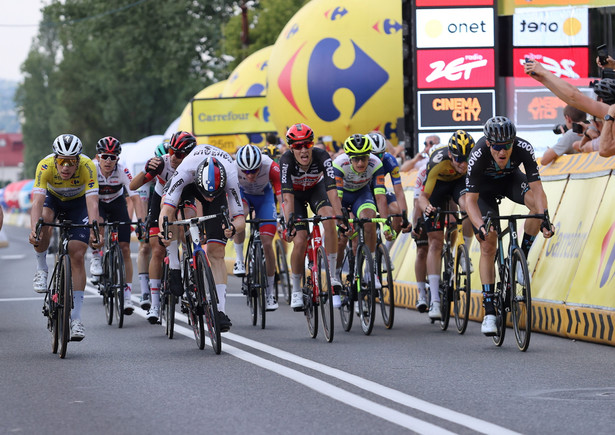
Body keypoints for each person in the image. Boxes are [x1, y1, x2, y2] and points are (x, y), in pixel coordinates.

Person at [465, 116, 554, 336]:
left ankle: (520, 256)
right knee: (489, 242)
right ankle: (488, 311)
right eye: (497, 147)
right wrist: (479, 226)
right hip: (484, 191)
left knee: (536, 203)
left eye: (507, 146)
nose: (502, 152)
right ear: (488, 144)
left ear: (513, 142)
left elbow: (538, 189)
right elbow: (470, 201)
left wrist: (545, 218)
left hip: (510, 181)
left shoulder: (524, 148)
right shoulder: (478, 155)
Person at [159, 140, 246, 333]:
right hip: (189, 187)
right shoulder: (186, 170)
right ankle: (174, 264)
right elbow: (165, 210)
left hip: (218, 190)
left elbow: (240, 219)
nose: (208, 197)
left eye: (212, 194)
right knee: (169, 219)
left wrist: (232, 227)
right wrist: (165, 233)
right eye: (206, 194)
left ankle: (221, 311)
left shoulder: (230, 174)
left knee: (217, 252)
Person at [28, 134, 101, 341]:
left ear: (78, 160)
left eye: (71, 162)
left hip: (78, 204)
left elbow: (93, 203)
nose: (66, 167)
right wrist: (35, 229)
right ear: (55, 159)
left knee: (77, 253)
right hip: (53, 200)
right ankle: (41, 268)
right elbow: (37, 203)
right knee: (43, 224)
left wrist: (94, 230)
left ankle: (76, 319)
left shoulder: (88, 166)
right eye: (62, 161)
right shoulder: (45, 166)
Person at [129, 132, 197, 323]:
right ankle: (155, 304)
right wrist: (145, 170)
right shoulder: (162, 163)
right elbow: (133, 186)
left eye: (180, 154)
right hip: (161, 200)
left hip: (185, 197)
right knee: (157, 250)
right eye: (172, 151)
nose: (174, 157)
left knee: (187, 231)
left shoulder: (194, 164)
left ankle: (190, 268)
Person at [279, 123, 346, 310]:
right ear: (291, 149)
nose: (303, 150)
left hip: (316, 191)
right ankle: (296, 290)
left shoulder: (322, 156)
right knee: (300, 241)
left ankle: (332, 275)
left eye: (307, 145)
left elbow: (332, 188)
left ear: (312, 144)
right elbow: (287, 195)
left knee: (330, 219)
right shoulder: (286, 161)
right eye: (297, 146)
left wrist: (339, 215)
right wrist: (289, 220)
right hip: (295, 196)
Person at [416, 130, 476, 319]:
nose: (463, 164)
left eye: (467, 159)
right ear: (450, 154)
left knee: (468, 207)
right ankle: (434, 301)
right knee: (435, 242)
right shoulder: (437, 161)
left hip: (459, 184)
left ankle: (464, 252)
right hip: (438, 188)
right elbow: (422, 198)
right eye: (459, 159)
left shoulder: (471, 163)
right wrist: (427, 210)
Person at [333, 134, 393, 307]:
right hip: (342, 197)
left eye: (364, 159)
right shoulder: (339, 164)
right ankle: (336, 276)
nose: (360, 163)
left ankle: (371, 270)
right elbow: (336, 198)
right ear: (349, 158)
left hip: (361, 194)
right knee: (343, 238)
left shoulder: (376, 164)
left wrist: (385, 222)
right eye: (356, 159)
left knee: (369, 221)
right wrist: (342, 222)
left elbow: (380, 196)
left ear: (369, 156)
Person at [89, 136, 146, 315]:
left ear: (117, 159)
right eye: (105, 156)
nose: (108, 160)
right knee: (97, 225)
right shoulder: (90, 169)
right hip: (96, 203)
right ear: (98, 157)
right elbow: (88, 201)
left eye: (112, 157)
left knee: (125, 249)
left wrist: (142, 223)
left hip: (116, 204)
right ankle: (96, 257)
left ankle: (127, 296)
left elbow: (136, 197)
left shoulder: (123, 171)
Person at [524, 59, 615, 157]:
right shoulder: (609, 111)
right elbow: (573, 98)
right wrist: (544, 78)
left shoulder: (610, 112)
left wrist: (545, 73)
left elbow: (604, 151)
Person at [233, 144, 283, 311]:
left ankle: (269, 293)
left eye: (254, 171)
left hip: (264, 199)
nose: (250, 175)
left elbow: (282, 196)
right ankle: (239, 259)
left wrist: (284, 217)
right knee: (240, 214)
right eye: (246, 172)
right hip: (243, 196)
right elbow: (227, 195)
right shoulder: (232, 168)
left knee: (267, 243)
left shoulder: (271, 166)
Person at [368, 132, 411, 241]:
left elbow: (399, 191)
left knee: (397, 211)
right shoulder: (360, 161)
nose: (378, 159)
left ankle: (386, 247)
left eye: (381, 155)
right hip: (361, 192)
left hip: (379, 190)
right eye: (374, 155)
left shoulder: (390, 160)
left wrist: (404, 218)